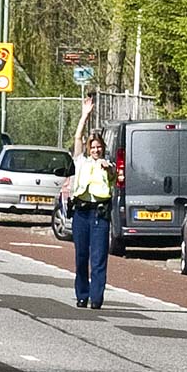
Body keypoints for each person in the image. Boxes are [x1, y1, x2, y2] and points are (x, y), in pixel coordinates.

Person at [71, 97, 116, 310]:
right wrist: (85, 115)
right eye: (93, 147)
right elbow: (78, 137)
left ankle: (96, 298)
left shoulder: (108, 164)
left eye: (99, 147)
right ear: (89, 149)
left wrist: (109, 169)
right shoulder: (81, 161)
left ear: (103, 149)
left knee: (98, 258)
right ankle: (82, 294)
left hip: (99, 214)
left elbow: (115, 175)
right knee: (81, 256)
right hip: (81, 212)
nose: (96, 150)